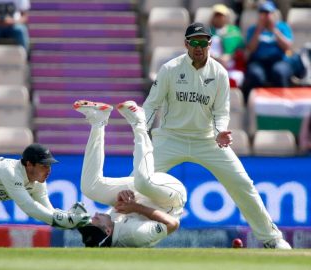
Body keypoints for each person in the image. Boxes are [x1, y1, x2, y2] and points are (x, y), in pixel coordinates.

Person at [143, 22, 292, 249]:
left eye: (203, 42)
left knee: (243, 183)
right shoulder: (170, 69)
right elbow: (151, 104)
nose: (198, 47)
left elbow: (221, 112)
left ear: (210, 44)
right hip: (170, 138)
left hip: (208, 140)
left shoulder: (219, 73)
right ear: (186, 44)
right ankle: (113, 229)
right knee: (139, 181)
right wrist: (140, 131)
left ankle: (272, 239)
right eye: (194, 42)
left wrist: (221, 130)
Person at [73, 100, 187, 247]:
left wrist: (122, 198)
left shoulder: (111, 224)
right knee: (142, 182)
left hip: (141, 195)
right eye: (94, 221)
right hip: (170, 200)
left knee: (89, 188)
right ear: (107, 231)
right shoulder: (134, 235)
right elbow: (173, 224)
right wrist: (136, 207)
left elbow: (125, 206)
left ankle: (98, 120)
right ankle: (140, 122)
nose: (93, 216)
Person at [242, 1, 294, 101]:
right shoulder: (253, 29)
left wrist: (274, 30)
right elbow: (250, 48)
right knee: (254, 74)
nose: (266, 16)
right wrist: (259, 30)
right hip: (258, 61)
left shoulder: (282, 27)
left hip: (279, 60)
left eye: (268, 13)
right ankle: (255, 104)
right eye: (263, 13)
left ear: (274, 14)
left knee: (280, 72)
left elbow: (287, 47)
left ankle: (283, 102)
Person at [208, 4, 245, 87]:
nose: (219, 18)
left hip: (231, 67)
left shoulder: (234, 31)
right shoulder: (207, 32)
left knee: (236, 79)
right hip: (212, 67)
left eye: (221, 15)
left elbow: (241, 50)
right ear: (212, 17)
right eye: (216, 15)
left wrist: (230, 56)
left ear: (226, 17)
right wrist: (218, 59)